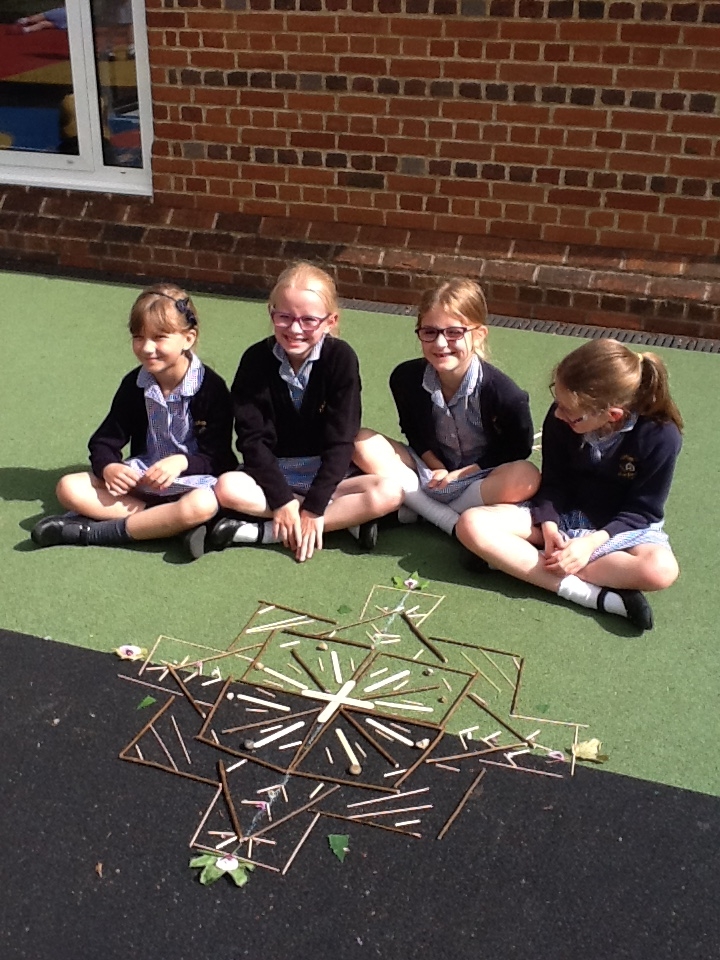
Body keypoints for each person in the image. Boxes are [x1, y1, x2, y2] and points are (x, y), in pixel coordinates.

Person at [455, 338, 683, 631]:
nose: (558, 414)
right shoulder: (561, 417)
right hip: (563, 516)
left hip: (617, 528)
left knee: (661, 570)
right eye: (557, 400)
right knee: (471, 523)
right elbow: (554, 482)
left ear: (612, 415)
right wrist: (550, 526)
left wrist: (589, 544)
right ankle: (593, 595)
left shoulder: (661, 437)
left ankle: (515, 561)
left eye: (569, 412)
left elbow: (643, 511)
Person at [207, 262, 403, 563]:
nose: (295, 329)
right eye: (284, 317)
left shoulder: (341, 358)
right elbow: (251, 440)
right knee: (227, 488)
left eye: (309, 320)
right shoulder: (255, 360)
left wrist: (314, 506)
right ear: (272, 313)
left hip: (328, 475)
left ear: (330, 321)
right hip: (275, 473)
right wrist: (282, 499)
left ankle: (261, 532)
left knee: (389, 492)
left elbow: (342, 439)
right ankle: (344, 521)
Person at [31, 284, 236, 558]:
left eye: (160, 337)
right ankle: (168, 524)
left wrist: (182, 462)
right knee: (69, 488)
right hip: (143, 483)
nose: (147, 348)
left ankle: (93, 533)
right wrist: (110, 467)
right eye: (138, 337)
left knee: (203, 504)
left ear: (188, 338)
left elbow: (219, 458)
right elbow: (104, 441)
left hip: (193, 485)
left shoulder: (210, 388)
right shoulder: (134, 384)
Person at [353, 278, 540, 540]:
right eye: (430, 332)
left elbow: (517, 448)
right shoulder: (405, 378)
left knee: (526, 476)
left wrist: (462, 474)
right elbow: (412, 429)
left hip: (480, 477)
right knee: (361, 441)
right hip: (429, 471)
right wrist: (436, 466)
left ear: (478, 335)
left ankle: (419, 511)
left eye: (454, 332)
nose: (441, 344)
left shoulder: (506, 394)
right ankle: (450, 521)